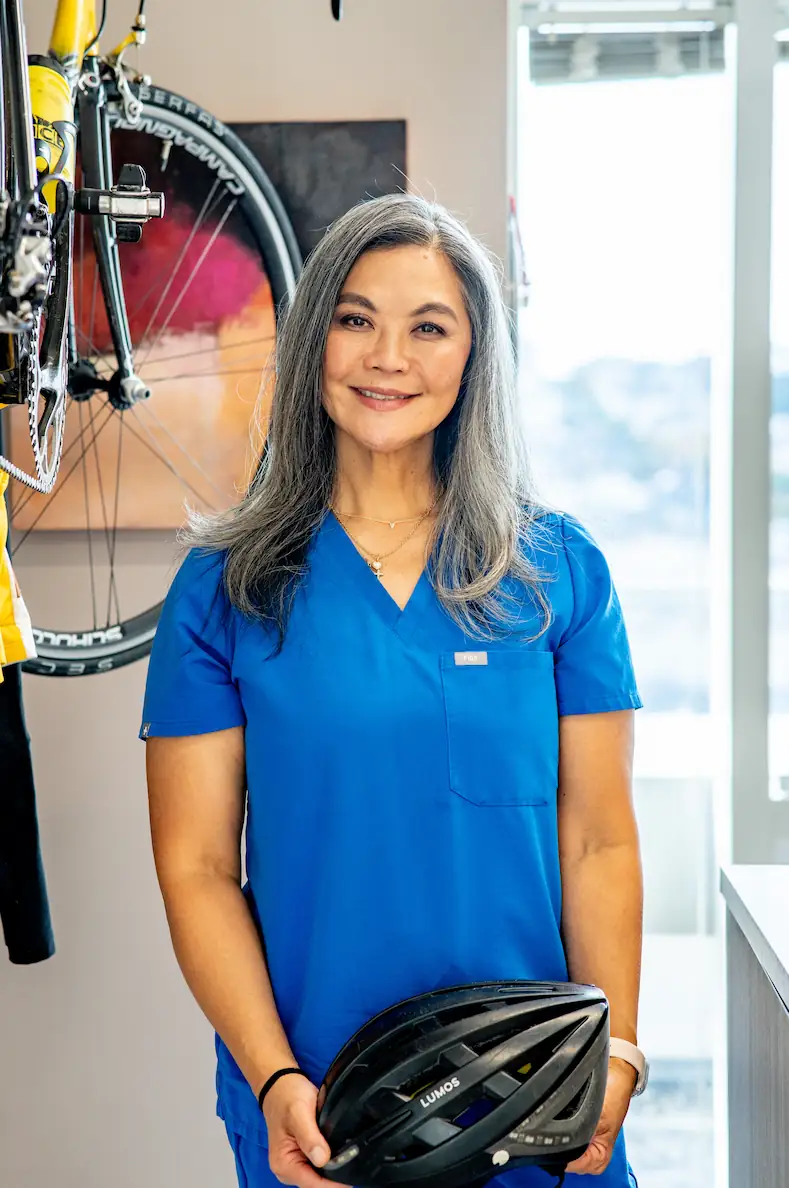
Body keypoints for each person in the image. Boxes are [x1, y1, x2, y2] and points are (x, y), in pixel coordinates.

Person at [140, 193, 644, 1188]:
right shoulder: (224, 587)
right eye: (354, 318)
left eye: (428, 327)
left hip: (535, 1092)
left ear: (471, 358)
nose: (387, 357)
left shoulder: (558, 572)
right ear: (313, 336)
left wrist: (615, 1048)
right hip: (325, 1108)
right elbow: (196, 866)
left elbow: (597, 840)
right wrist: (274, 1076)